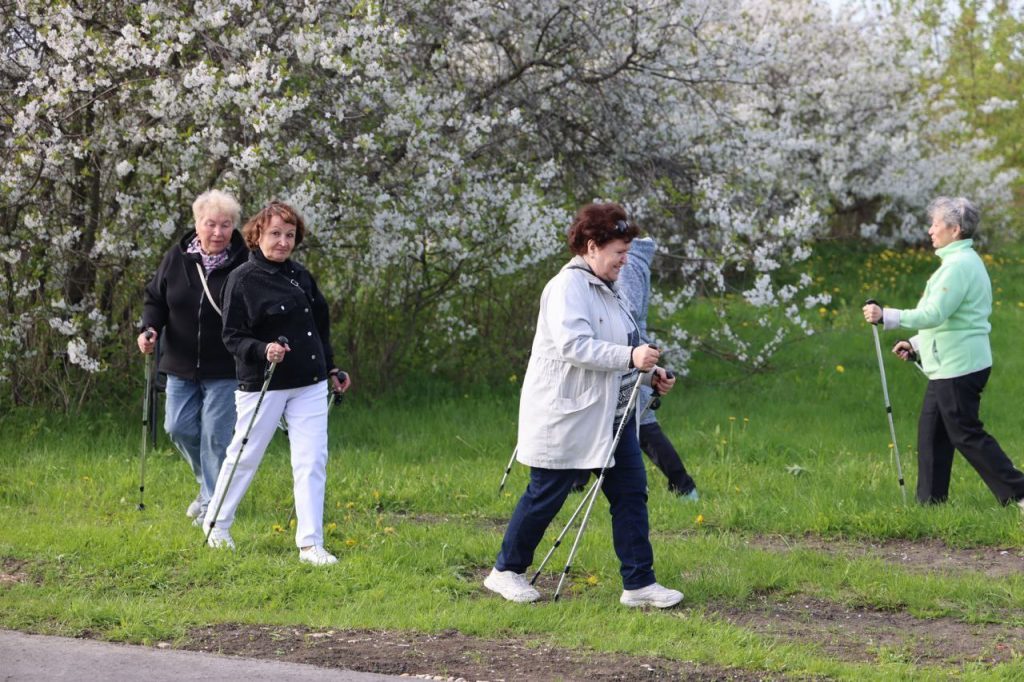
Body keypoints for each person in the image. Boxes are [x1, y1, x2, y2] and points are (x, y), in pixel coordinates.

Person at [484, 202, 684, 608]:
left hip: (611, 416)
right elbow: (574, 346)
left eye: (627, 253)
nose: (624, 261)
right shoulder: (567, 287)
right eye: (619, 253)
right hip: (568, 415)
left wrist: (650, 375)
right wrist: (631, 358)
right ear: (592, 247)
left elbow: (622, 347)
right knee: (545, 495)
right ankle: (505, 572)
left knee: (631, 494)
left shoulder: (610, 289)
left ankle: (639, 584)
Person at [204, 200, 350, 565]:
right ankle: (216, 526)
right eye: (275, 234)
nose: (283, 242)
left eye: (289, 235)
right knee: (245, 456)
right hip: (263, 384)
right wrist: (262, 349)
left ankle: (310, 545)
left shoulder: (301, 275)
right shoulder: (242, 279)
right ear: (257, 234)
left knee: (311, 461)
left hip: (309, 382)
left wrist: (332, 369)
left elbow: (318, 329)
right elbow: (232, 336)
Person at [862, 196, 1024, 508]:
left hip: (960, 366)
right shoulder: (958, 263)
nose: (930, 230)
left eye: (936, 224)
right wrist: (916, 344)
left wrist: (886, 316)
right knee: (932, 434)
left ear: (955, 229)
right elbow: (951, 319)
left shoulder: (958, 266)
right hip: (950, 364)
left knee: (965, 434)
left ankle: (1019, 492)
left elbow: (935, 313)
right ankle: (931, 504)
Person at [138, 189, 248, 525]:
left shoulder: (244, 262)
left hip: (225, 366)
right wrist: (149, 329)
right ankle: (207, 486)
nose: (217, 232)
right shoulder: (177, 258)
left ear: (234, 227)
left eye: (225, 225)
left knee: (216, 437)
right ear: (197, 223)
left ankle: (213, 505)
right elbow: (155, 299)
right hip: (179, 363)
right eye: (210, 224)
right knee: (177, 427)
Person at [619, 237, 699, 500]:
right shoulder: (633, 258)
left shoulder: (628, 263)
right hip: (632, 348)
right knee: (621, 424)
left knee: (643, 425)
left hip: (633, 349)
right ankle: (576, 481)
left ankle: (684, 485)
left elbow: (628, 310)